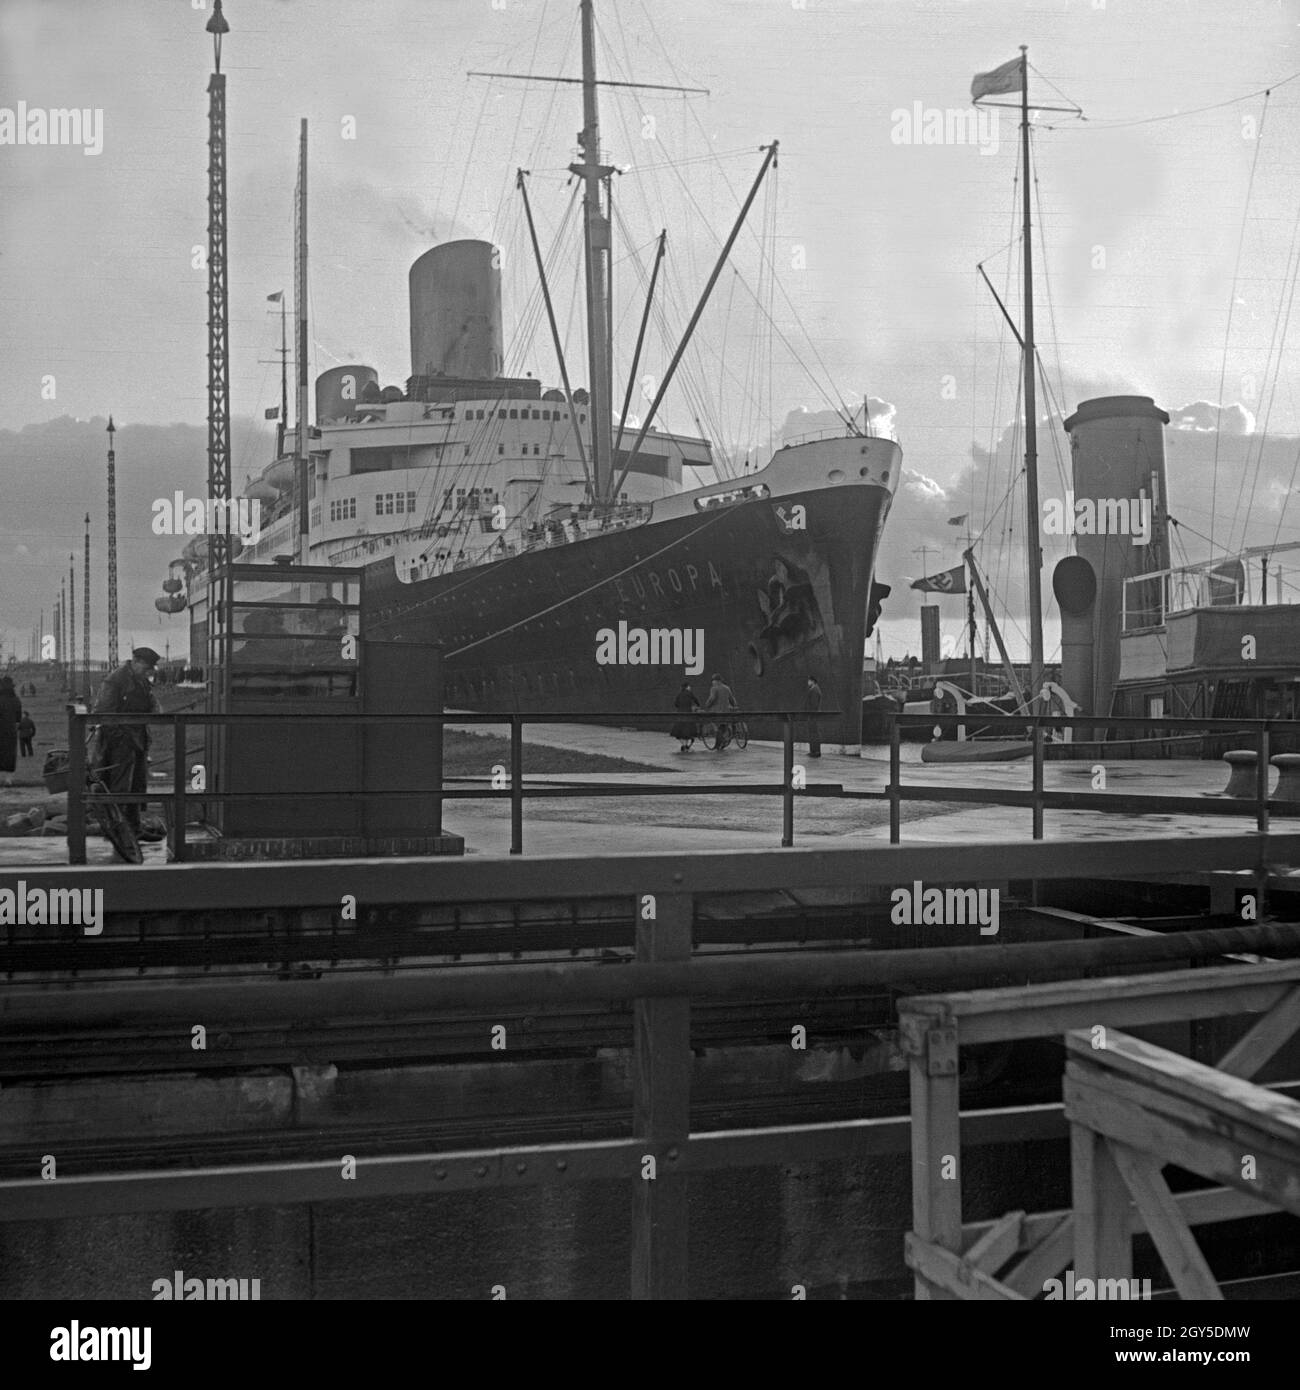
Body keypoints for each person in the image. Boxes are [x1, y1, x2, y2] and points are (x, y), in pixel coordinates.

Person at [93, 647, 162, 838]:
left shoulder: (138, 679)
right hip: (121, 742)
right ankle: (119, 830)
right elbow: (104, 711)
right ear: (136, 661)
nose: (149, 671)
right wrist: (120, 740)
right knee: (120, 787)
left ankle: (133, 828)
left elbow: (143, 703)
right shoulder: (116, 680)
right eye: (147, 667)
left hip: (137, 739)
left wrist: (153, 707)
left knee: (136, 786)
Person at [703, 672, 737, 749]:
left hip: (716, 712)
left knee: (716, 727)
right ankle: (723, 741)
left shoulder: (714, 688)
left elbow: (712, 698)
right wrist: (734, 705)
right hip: (726, 711)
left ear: (716, 681)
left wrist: (707, 704)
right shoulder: (727, 688)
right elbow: (731, 699)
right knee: (723, 726)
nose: (712, 682)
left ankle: (718, 744)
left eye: (713, 680)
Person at [0, 676, 20, 788]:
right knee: (10, 755)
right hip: (10, 731)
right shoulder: (16, 700)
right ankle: (8, 780)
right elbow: (18, 719)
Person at [671, 681, 700, 753]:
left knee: (679, 732)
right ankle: (686, 746)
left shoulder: (679, 694)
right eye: (689, 686)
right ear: (687, 687)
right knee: (688, 731)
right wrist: (698, 706)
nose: (690, 688)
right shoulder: (690, 693)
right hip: (688, 714)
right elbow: (696, 700)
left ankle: (684, 746)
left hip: (680, 714)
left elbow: (676, 704)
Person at [804, 675, 822, 757]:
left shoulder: (814, 690)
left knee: (813, 733)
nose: (808, 682)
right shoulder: (815, 689)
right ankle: (814, 751)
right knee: (813, 733)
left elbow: (813, 704)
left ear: (812, 681)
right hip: (813, 715)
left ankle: (815, 751)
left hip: (812, 715)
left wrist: (809, 713)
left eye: (809, 681)